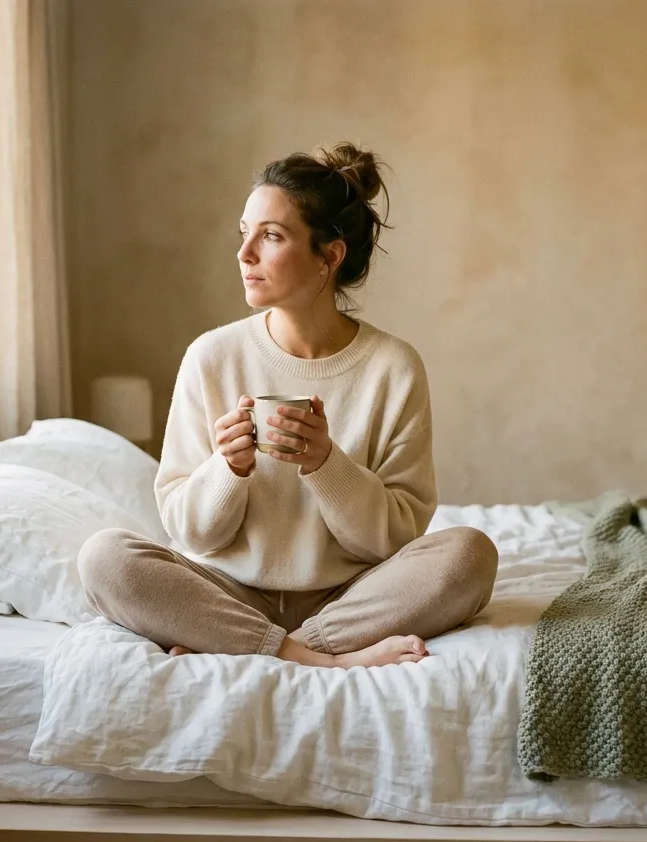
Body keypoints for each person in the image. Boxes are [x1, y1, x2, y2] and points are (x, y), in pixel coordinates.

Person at [78, 142, 498, 668]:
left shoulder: (393, 367)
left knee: (469, 555)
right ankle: (322, 658)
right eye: (244, 233)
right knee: (105, 559)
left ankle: (265, 645)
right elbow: (187, 530)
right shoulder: (213, 356)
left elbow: (395, 538)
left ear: (330, 255)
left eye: (271, 236)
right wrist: (226, 469)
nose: (244, 252)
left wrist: (326, 465)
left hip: (348, 598)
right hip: (230, 591)